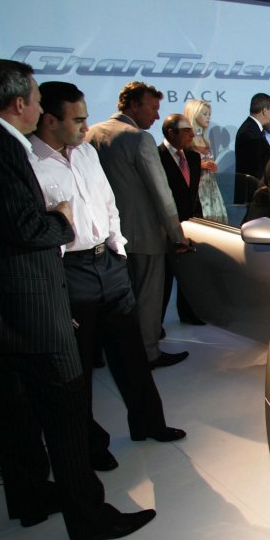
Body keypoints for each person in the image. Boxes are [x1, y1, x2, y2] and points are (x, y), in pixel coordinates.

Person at [0, 58, 154, 540]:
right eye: (36, 99)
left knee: (15, 404)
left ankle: (31, 497)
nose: (38, 107)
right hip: (30, 299)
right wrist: (61, 219)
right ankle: (90, 520)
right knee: (64, 406)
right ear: (19, 103)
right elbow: (25, 228)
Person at [30, 82, 186, 472]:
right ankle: (88, 445)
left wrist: (116, 245)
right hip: (69, 269)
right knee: (77, 367)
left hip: (109, 262)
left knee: (131, 353)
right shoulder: (28, 160)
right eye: (78, 119)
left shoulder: (86, 150)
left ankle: (149, 423)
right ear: (50, 120)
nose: (86, 126)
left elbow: (108, 201)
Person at [86, 82, 190, 369]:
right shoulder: (139, 139)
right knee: (147, 298)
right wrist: (177, 234)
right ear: (133, 105)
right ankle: (148, 353)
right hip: (143, 234)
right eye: (153, 108)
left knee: (114, 299)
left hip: (105, 236)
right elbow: (161, 193)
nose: (157, 117)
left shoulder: (91, 133)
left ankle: (111, 351)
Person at [157, 113, 206, 327]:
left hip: (190, 224)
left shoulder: (194, 158)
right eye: (186, 131)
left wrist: (199, 222)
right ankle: (155, 325)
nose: (192, 134)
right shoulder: (156, 156)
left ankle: (188, 312)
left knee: (190, 274)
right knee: (164, 279)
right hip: (164, 227)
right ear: (171, 133)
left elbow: (193, 194)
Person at [183, 98, 227, 224]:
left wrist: (212, 166)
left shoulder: (205, 139)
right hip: (197, 189)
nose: (208, 117)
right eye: (205, 114)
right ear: (194, 113)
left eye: (209, 114)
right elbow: (182, 164)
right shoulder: (186, 140)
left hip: (211, 186)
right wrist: (201, 165)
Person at [234, 92, 270, 202]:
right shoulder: (249, 131)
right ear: (264, 111)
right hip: (251, 195)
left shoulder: (253, 128)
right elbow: (256, 164)